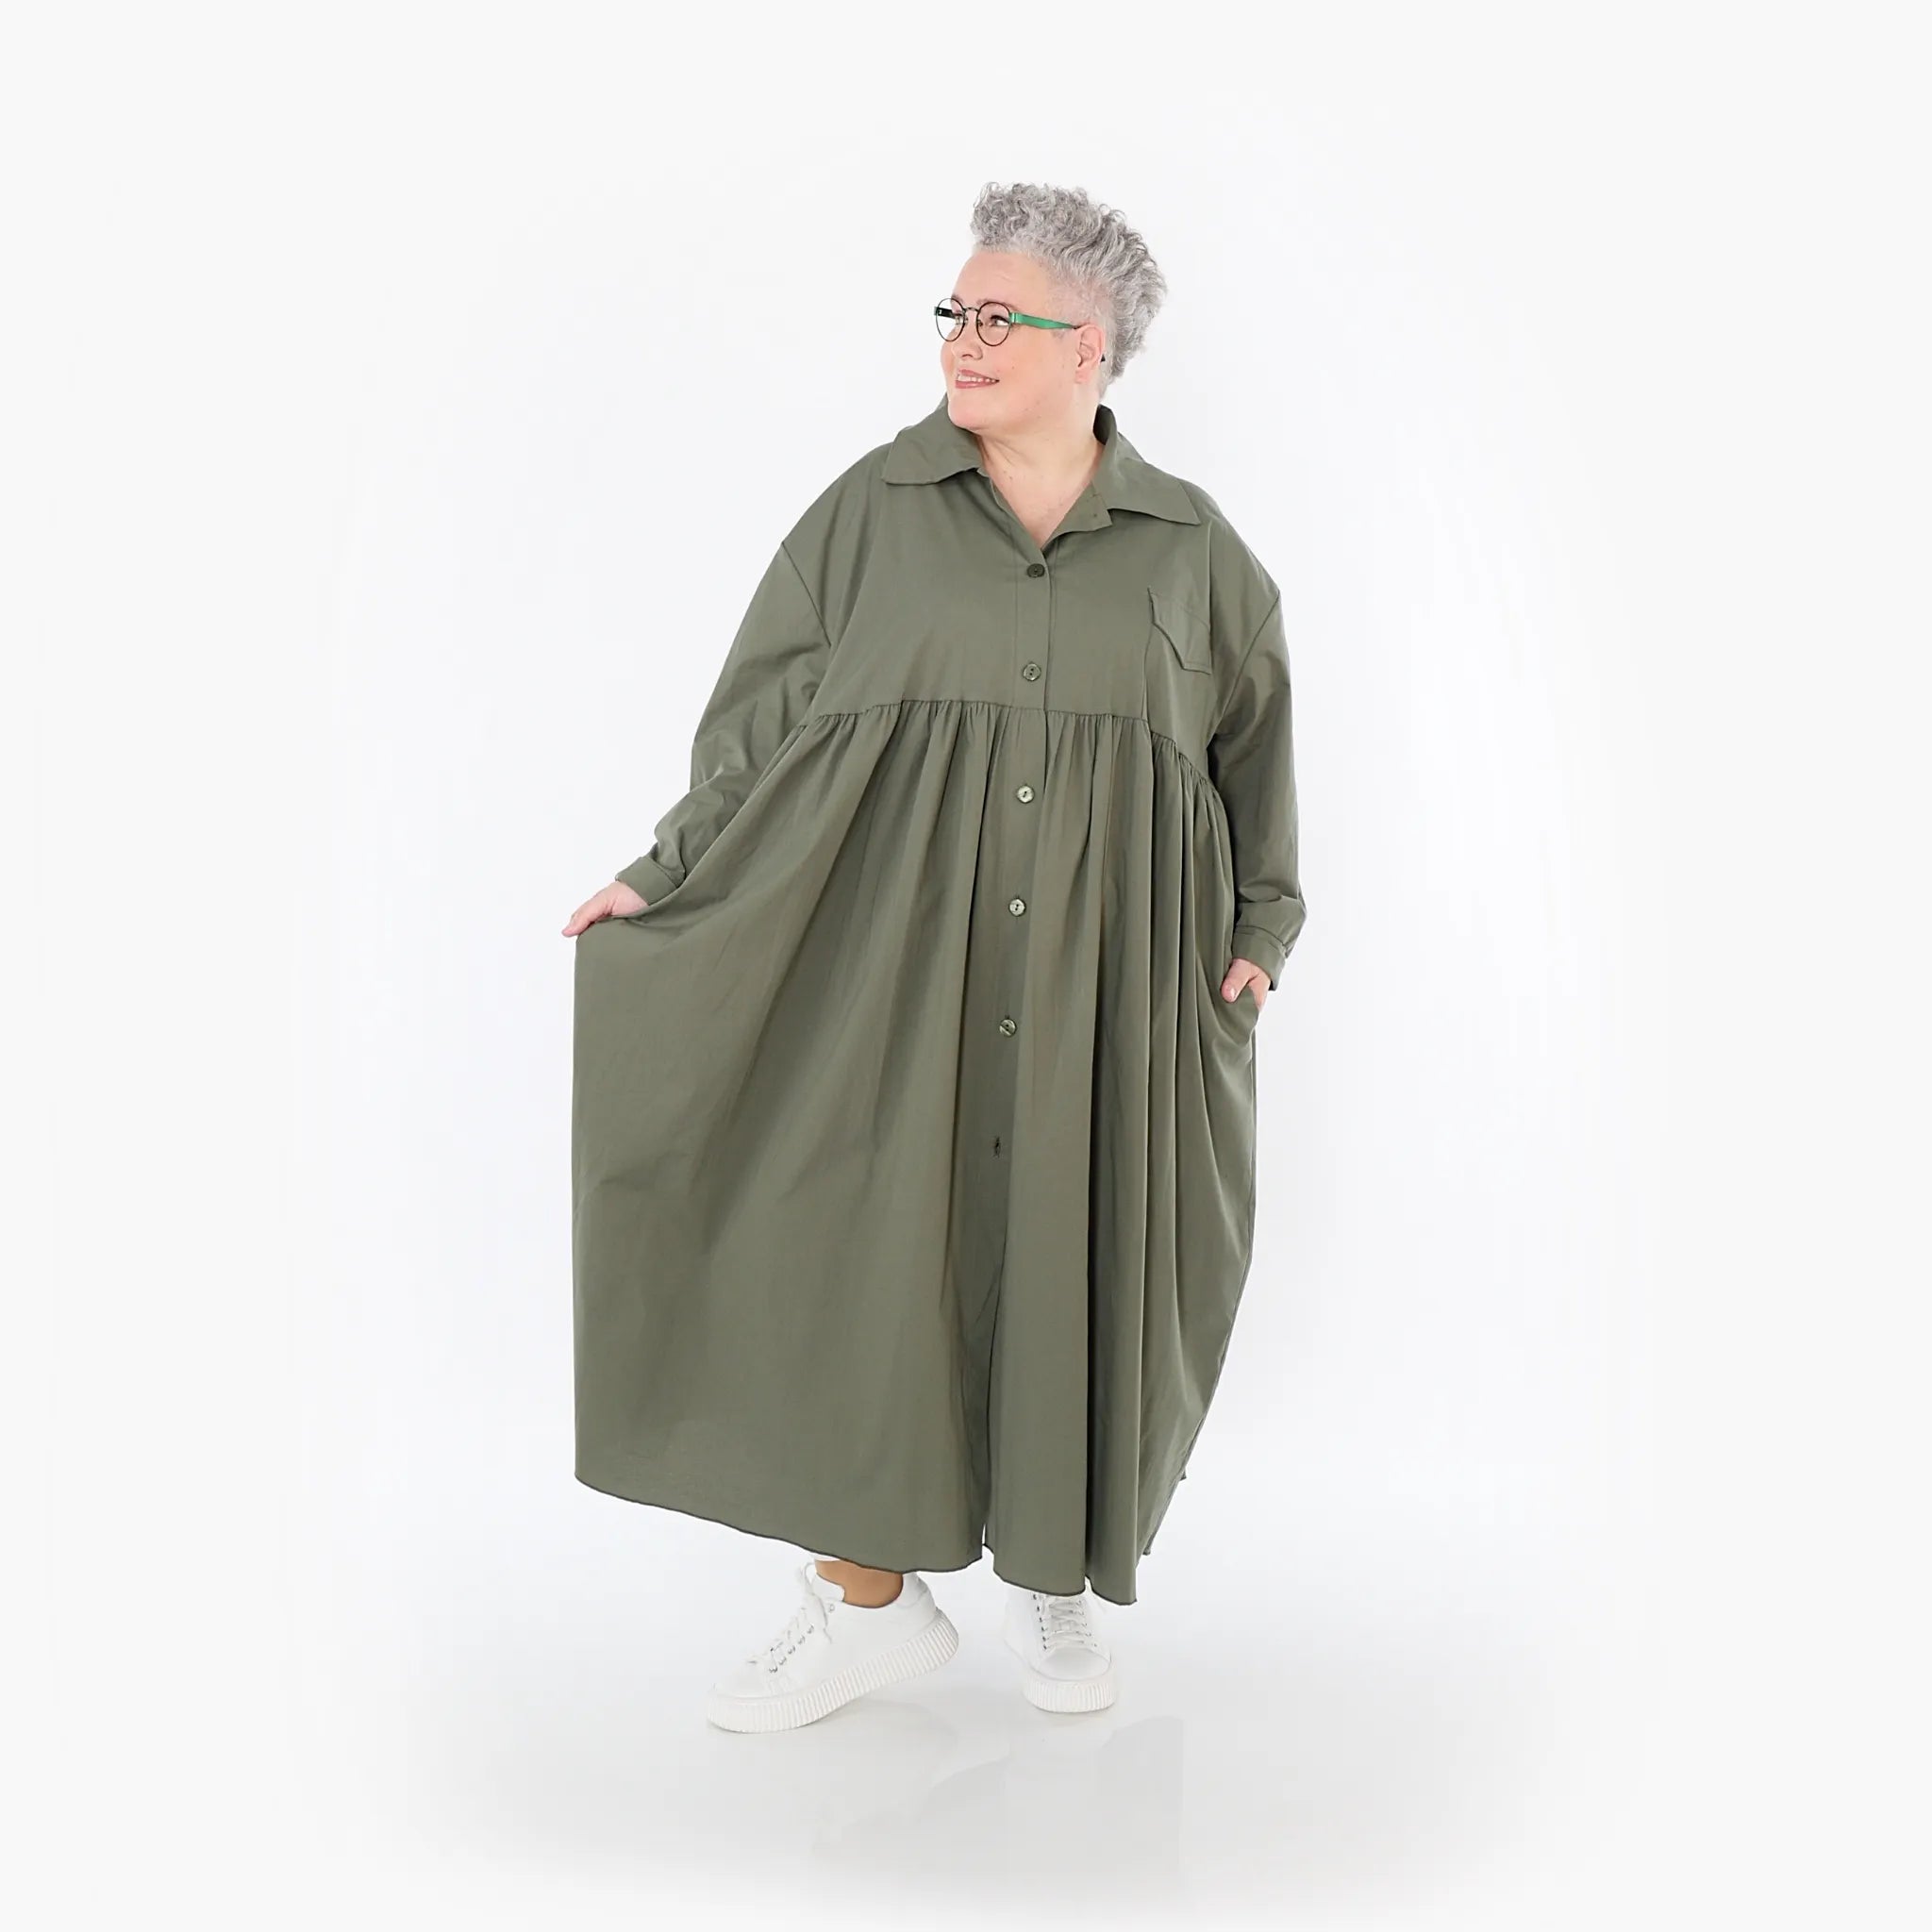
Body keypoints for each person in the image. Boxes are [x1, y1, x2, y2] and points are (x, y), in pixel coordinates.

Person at [563, 180, 1306, 1733]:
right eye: (954, 314)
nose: (963, 342)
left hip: (1110, 997)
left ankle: (1053, 1579)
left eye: (997, 318)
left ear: (1088, 345)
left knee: (1078, 1260)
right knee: (866, 1261)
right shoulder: (870, 514)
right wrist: (668, 875)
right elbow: (757, 724)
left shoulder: (1194, 553)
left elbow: (1251, 755)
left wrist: (1260, 931)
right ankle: (865, 1602)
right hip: (889, 972)